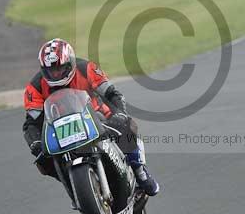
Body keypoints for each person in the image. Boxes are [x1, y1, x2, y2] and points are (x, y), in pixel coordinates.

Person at [23, 38, 160, 196]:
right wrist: (35, 143)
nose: (56, 74)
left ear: (70, 62)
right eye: (51, 70)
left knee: (127, 125)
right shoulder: (34, 87)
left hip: (96, 116)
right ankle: (74, 185)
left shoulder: (87, 68)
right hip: (62, 129)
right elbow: (31, 123)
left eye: (60, 68)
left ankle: (140, 171)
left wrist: (119, 113)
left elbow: (112, 94)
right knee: (43, 160)